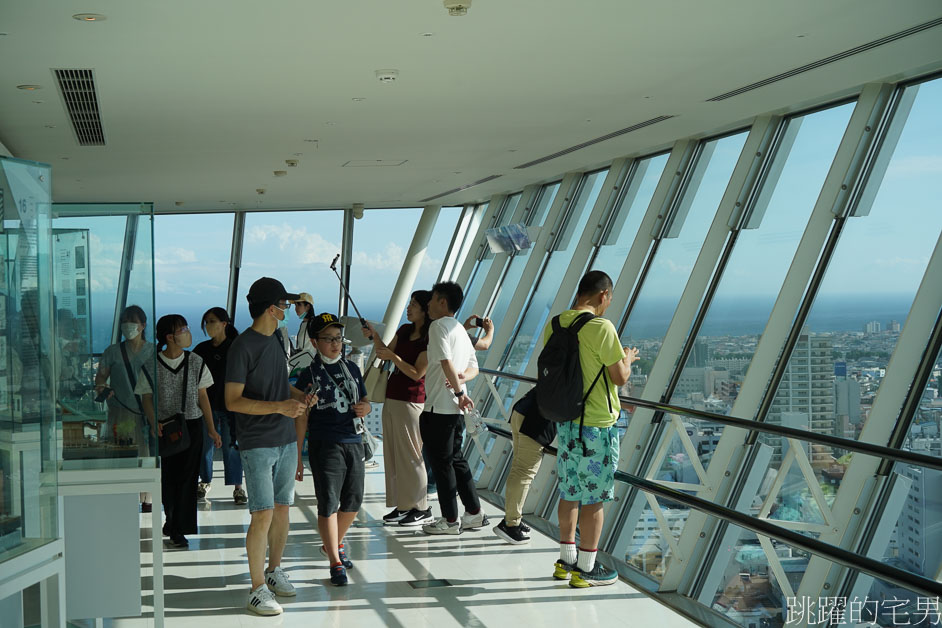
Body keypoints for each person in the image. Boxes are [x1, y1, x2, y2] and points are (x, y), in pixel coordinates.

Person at [548, 271, 639, 588]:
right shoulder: (602, 327)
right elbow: (618, 377)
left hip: (567, 422)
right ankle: (587, 567)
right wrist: (627, 358)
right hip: (597, 427)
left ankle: (566, 561)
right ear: (603, 295)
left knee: (569, 492)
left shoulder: (557, 324)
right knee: (595, 498)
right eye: (609, 299)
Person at [225, 278, 309, 616]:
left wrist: (298, 397)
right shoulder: (242, 346)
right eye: (284, 304)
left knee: (282, 508)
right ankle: (257, 588)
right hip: (258, 442)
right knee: (262, 514)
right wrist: (280, 407)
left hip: (285, 438)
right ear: (270, 307)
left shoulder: (277, 338)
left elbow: (279, 387)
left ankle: (274, 572)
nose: (288, 309)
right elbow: (232, 401)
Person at [294, 313, 369, 586]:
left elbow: (365, 399)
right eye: (328, 339)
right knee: (328, 502)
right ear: (315, 342)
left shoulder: (353, 369)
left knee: (354, 501)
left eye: (338, 338)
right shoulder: (308, 375)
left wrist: (367, 407)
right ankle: (335, 561)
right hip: (324, 442)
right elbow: (300, 416)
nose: (336, 344)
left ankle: (332, 543)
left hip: (353, 439)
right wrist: (298, 454)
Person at [138, 315, 221, 549]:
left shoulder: (196, 361)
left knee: (187, 479)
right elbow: (146, 398)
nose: (187, 332)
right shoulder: (151, 365)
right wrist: (154, 423)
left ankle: (178, 528)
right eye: (182, 329)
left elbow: (203, 397)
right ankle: (171, 519)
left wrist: (212, 429)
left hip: (193, 427)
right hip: (166, 428)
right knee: (169, 479)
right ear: (169, 337)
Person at [419, 281, 487, 535]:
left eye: (433, 299)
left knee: (442, 464)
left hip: (439, 407)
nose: (428, 304)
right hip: (457, 411)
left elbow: (445, 361)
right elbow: (474, 368)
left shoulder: (438, 327)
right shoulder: (459, 329)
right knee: (456, 460)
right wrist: (461, 382)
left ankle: (449, 520)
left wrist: (458, 391)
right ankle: (474, 512)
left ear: (443, 302)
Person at [364, 290, 433, 528]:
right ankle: (404, 505)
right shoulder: (404, 331)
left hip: (411, 401)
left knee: (412, 455)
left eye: (414, 305)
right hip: (392, 397)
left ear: (425, 309)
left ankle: (421, 507)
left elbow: (417, 373)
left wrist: (393, 356)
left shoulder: (428, 339)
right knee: (394, 453)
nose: (409, 308)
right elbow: (384, 353)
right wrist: (374, 336)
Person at [94, 305, 156, 510]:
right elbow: (100, 378)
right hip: (120, 412)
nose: (127, 326)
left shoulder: (152, 351)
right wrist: (103, 389)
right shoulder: (112, 352)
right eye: (124, 322)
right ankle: (126, 494)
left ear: (143, 325)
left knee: (146, 455)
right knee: (123, 452)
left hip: (146, 413)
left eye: (133, 322)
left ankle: (147, 498)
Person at [194, 307, 246, 505]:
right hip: (207, 405)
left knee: (232, 446)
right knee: (205, 446)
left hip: (231, 407)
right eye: (206, 322)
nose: (209, 326)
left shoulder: (236, 348)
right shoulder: (201, 350)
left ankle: (237, 487)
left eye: (212, 321)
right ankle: (204, 481)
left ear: (224, 324)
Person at [492, 387, 549, 544]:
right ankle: (511, 524)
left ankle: (512, 519)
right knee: (524, 473)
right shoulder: (576, 367)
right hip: (536, 419)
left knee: (519, 469)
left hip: (524, 408)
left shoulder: (558, 361)